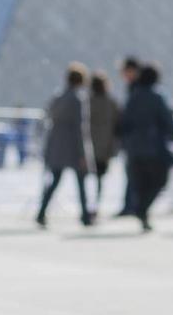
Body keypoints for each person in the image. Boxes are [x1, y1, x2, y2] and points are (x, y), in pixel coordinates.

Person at [118, 63, 173, 231]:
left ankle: (141, 210)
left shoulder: (133, 96)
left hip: (134, 148)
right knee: (160, 181)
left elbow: (124, 122)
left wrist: (124, 142)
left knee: (140, 183)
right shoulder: (158, 95)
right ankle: (143, 209)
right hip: (154, 148)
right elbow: (168, 121)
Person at [36, 63, 94, 228]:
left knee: (54, 181)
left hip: (56, 144)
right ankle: (85, 215)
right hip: (72, 147)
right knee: (81, 182)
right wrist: (84, 153)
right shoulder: (77, 99)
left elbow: (46, 116)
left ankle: (41, 212)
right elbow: (80, 128)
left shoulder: (58, 96)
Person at [89, 71, 120, 212]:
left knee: (85, 178)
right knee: (100, 179)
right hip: (105, 147)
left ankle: (87, 205)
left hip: (88, 146)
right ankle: (96, 205)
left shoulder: (87, 101)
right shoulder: (111, 102)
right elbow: (117, 124)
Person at [115, 56, 141, 217]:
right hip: (133, 139)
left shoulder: (138, 88)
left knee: (134, 172)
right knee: (131, 172)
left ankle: (132, 206)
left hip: (136, 139)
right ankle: (130, 205)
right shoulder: (134, 87)